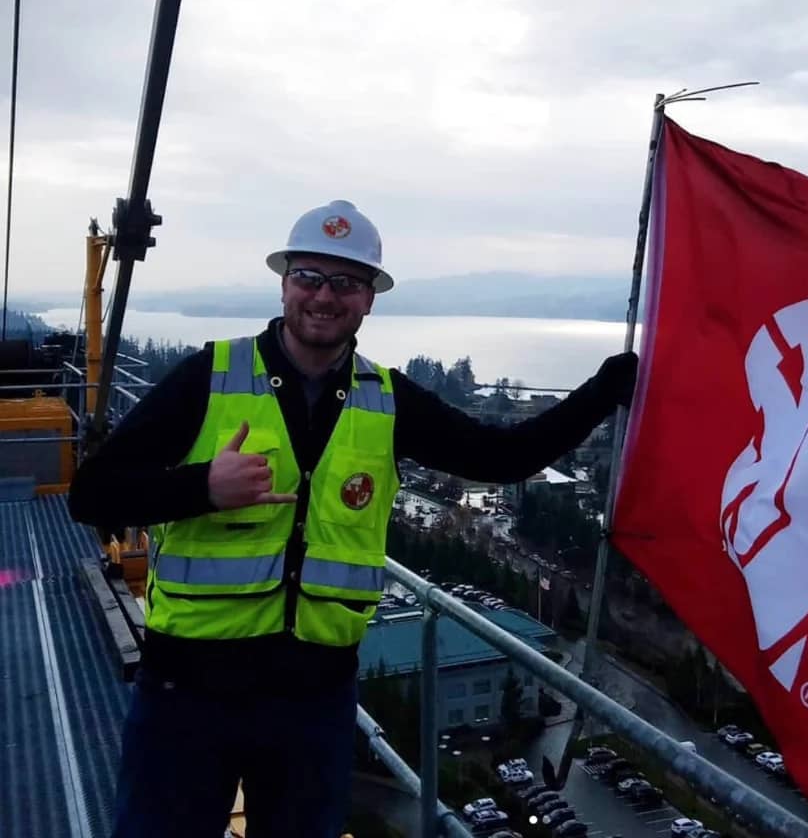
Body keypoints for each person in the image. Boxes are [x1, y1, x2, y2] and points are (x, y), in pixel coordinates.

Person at [69, 199, 637, 838]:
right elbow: (92, 496)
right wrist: (202, 486)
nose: (324, 296)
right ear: (284, 283)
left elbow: (500, 456)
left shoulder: (388, 400)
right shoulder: (211, 377)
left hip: (313, 701)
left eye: (346, 282)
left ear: (369, 299)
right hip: (189, 692)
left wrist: (600, 392)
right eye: (309, 276)